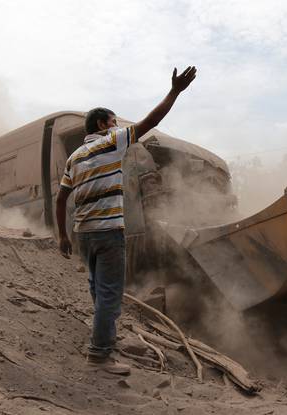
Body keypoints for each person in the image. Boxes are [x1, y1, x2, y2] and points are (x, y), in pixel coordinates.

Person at [56, 66, 197, 375]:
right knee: (109, 294)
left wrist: (63, 236)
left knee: (97, 290)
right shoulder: (111, 142)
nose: (117, 124)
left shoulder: (74, 158)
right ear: (101, 124)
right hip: (108, 233)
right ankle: (100, 356)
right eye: (113, 120)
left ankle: (102, 336)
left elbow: (61, 198)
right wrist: (174, 92)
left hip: (84, 234)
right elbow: (151, 121)